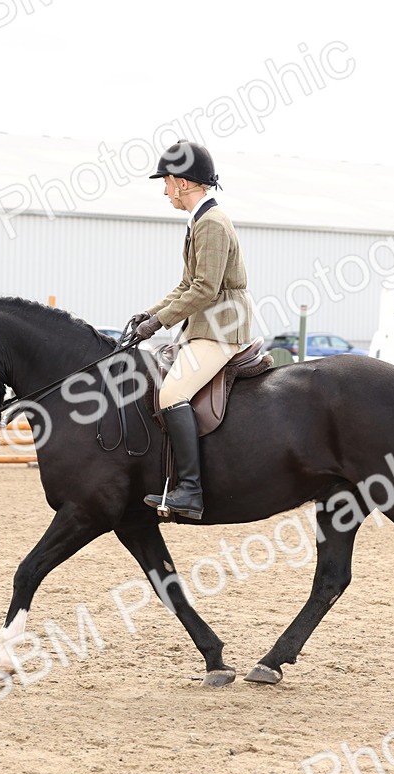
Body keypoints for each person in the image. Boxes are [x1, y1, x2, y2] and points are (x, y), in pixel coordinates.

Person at [129, 141, 252, 520]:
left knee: (172, 392)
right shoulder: (199, 220)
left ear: (182, 183)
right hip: (207, 325)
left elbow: (205, 289)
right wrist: (149, 313)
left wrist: (159, 322)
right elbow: (186, 285)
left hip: (221, 328)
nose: (164, 191)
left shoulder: (211, 223)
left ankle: (191, 490)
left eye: (166, 182)